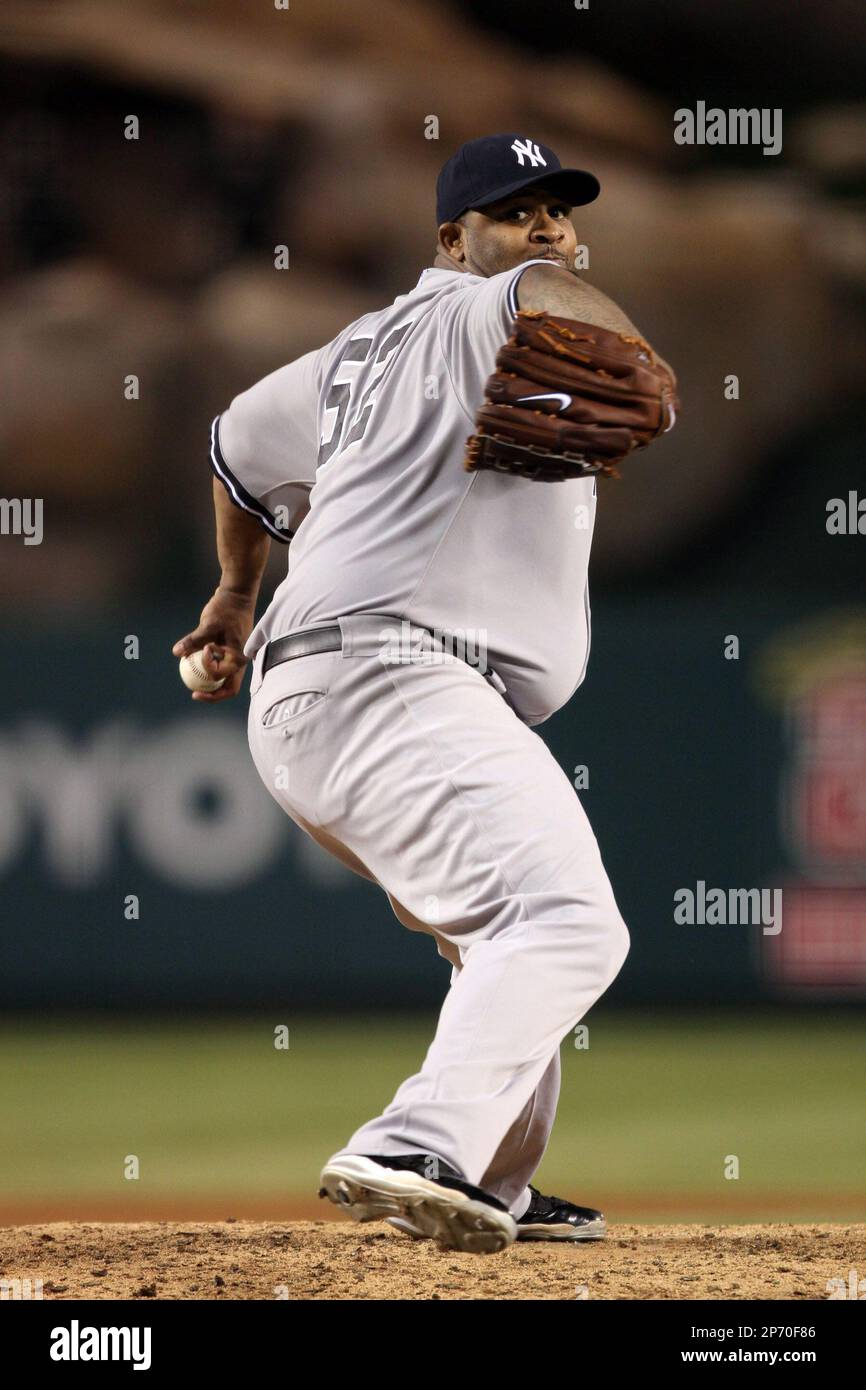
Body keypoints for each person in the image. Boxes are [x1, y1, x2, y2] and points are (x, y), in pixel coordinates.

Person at [173, 134, 674, 1255]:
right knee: (565, 919)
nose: (542, 227)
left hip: (338, 687)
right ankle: (413, 1143)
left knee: (495, 932)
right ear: (451, 242)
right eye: (513, 210)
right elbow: (541, 292)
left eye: (556, 208)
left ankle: (489, 1178)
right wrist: (620, 337)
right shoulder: (484, 307)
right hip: (386, 674)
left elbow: (239, 452)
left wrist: (231, 594)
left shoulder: (349, 355)